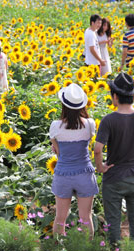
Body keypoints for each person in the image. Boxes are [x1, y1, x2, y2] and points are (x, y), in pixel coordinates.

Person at [94, 72, 134, 245]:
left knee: (113, 221)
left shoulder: (108, 120)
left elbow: (98, 149)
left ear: (115, 96)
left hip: (114, 177)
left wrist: (101, 167)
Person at [49, 83, 98, 239]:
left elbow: (57, 151)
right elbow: (89, 144)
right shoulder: (90, 124)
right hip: (85, 173)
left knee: (60, 219)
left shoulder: (55, 126)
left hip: (63, 174)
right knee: (85, 218)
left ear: (63, 104)